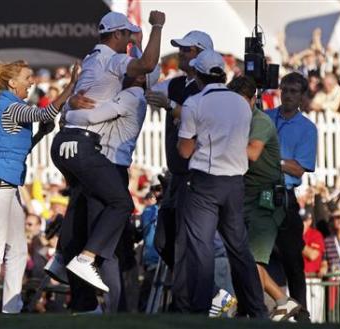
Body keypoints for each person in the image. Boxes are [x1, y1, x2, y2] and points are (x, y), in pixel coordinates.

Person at [47, 10, 165, 303]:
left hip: (70, 144)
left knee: (80, 209)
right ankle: (82, 264)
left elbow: (143, 69)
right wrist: (157, 27)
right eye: (126, 36)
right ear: (116, 35)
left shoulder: (92, 60)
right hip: (85, 147)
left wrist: (67, 111)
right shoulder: (117, 69)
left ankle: (64, 261)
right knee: (119, 207)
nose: (128, 44)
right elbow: (148, 64)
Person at [0, 60, 78, 317]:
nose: (32, 82)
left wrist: (41, 134)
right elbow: (44, 113)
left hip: (7, 184)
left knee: (18, 249)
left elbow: (18, 150)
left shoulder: (12, 106)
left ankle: (12, 308)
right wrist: (71, 85)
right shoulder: (9, 106)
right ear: (12, 83)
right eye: (28, 77)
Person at [177, 49, 268, 318]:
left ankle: (201, 309)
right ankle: (257, 309)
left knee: (201, 247)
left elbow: (184, 150)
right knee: (239, 248)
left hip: (206, 181)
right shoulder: (241, 103)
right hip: (234, 182)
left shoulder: (195, 103)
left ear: (199, 75)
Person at [145, 30, 214, 313]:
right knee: (164, 239)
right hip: (176, 174)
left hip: (196, 175)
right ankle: (198, 293)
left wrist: (172, 107)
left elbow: (201, 118)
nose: (181, 54)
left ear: (200, 53)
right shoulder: (175, 85)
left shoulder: (210, 89)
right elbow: (145, 88)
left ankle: (187, 302)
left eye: (187, 50)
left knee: (187, 241)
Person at [227, 76, 302, 321]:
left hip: (266, 199)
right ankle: (270, 303)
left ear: (251, 101)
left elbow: (252, 152)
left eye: (239, 103)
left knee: (251, 259)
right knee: (244, 258)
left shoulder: (259, 122)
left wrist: (216, 142)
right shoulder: (238, 121)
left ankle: (281, 302)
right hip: (247, 197)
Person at [266, 72, 318, 321]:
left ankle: (301, 313)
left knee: (292, 259)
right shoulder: (265, 117)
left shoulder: (307, 128)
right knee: (255, 256)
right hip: (258, 193)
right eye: (284, 89)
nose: (287, 95)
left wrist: (272, 159)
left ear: (302, 96)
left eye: (294, 91)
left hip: (284, 195)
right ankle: (260, 309)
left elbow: (300, 168)